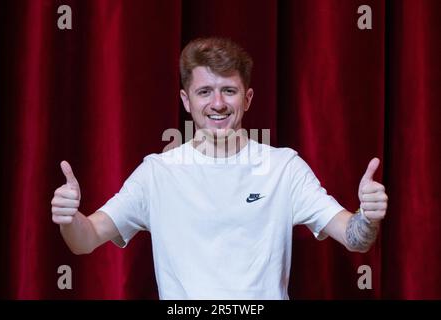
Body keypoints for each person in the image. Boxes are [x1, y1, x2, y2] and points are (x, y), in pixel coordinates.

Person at [51, 37, 388, 299]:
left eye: (229, 91)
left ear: (248, 98)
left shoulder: (284, 167)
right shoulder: (157, 173)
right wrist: (71, 219)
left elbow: (354, 237)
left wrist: (367, 215)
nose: (217, 103)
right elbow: (86, 239)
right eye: (204, 92)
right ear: (186, 101)